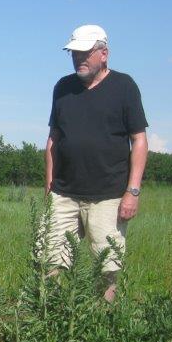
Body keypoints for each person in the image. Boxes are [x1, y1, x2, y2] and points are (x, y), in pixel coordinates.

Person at [45, 24, 148, 300]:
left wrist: (132, 191)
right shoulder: (63, 88)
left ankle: (102, 322)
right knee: (51, 261)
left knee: (107, 266)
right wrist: (49, 186)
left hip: (109, 196)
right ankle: (52, 317)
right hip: (64, 194)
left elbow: (139, 140)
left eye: (85, 53)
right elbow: (54, 139)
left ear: (104, 53)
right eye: (74, 53)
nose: (78, 58)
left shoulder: (124, 86)